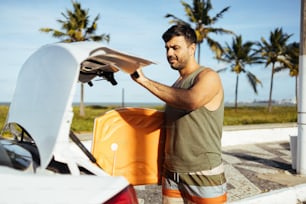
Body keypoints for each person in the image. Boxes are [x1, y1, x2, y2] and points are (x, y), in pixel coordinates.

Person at [131, 24, 227, 204]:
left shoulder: (208, 76)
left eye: (175, 47)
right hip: (172, 174)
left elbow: (191, 100)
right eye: (167, 48)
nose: (169, 54)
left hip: (203, 173)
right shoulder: (176, 84)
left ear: (192, 48)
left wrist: (144, 81)